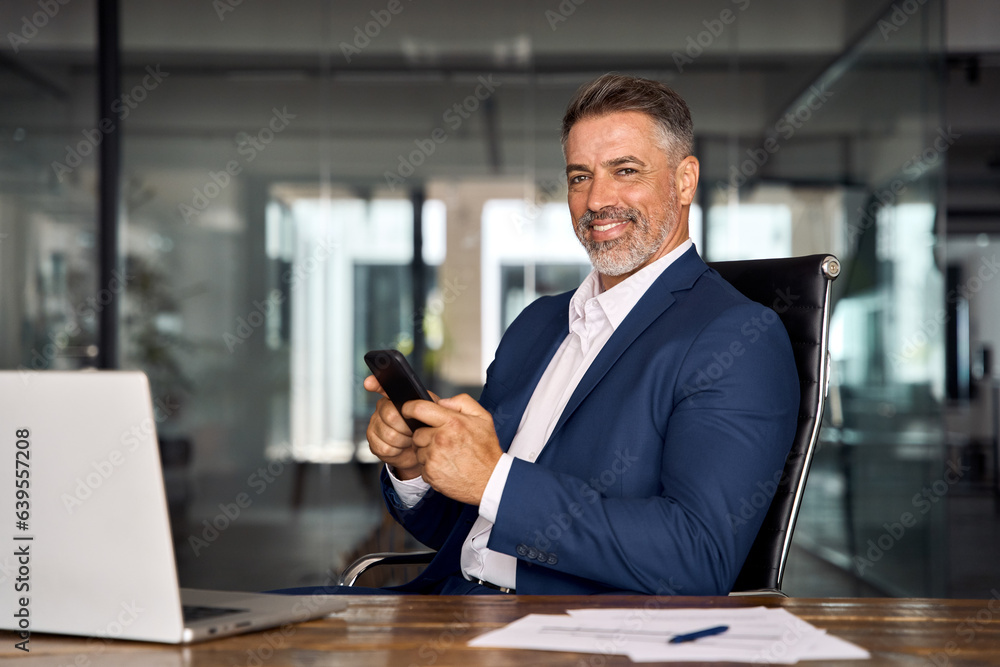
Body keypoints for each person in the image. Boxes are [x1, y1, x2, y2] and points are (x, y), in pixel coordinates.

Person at [363, 73, 799, 596]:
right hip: (447, 605)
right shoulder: (538, 324)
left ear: (685, 181)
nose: (596, 200)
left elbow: (695, 557)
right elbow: (471, 530)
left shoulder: (739, 340)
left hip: (559, 636)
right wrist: (416, 469)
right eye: (579, 177)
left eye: (626, 170)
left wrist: (493, 480)